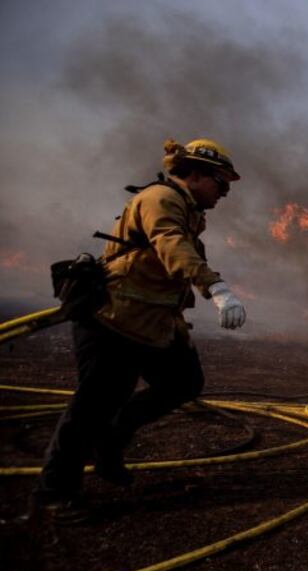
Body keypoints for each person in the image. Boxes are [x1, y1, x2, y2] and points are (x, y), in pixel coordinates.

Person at [32, 138, 248, 524]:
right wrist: (216, 287)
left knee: (184, 381)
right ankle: (54, 494)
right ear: (195, 174)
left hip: (149, 325)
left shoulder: (189, 212)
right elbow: (171, 246)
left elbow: (167, 276)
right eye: (221, 182)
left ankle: (111, 438)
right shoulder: (161, 200)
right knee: (93, 405)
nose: (225, 192)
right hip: (112, 321)